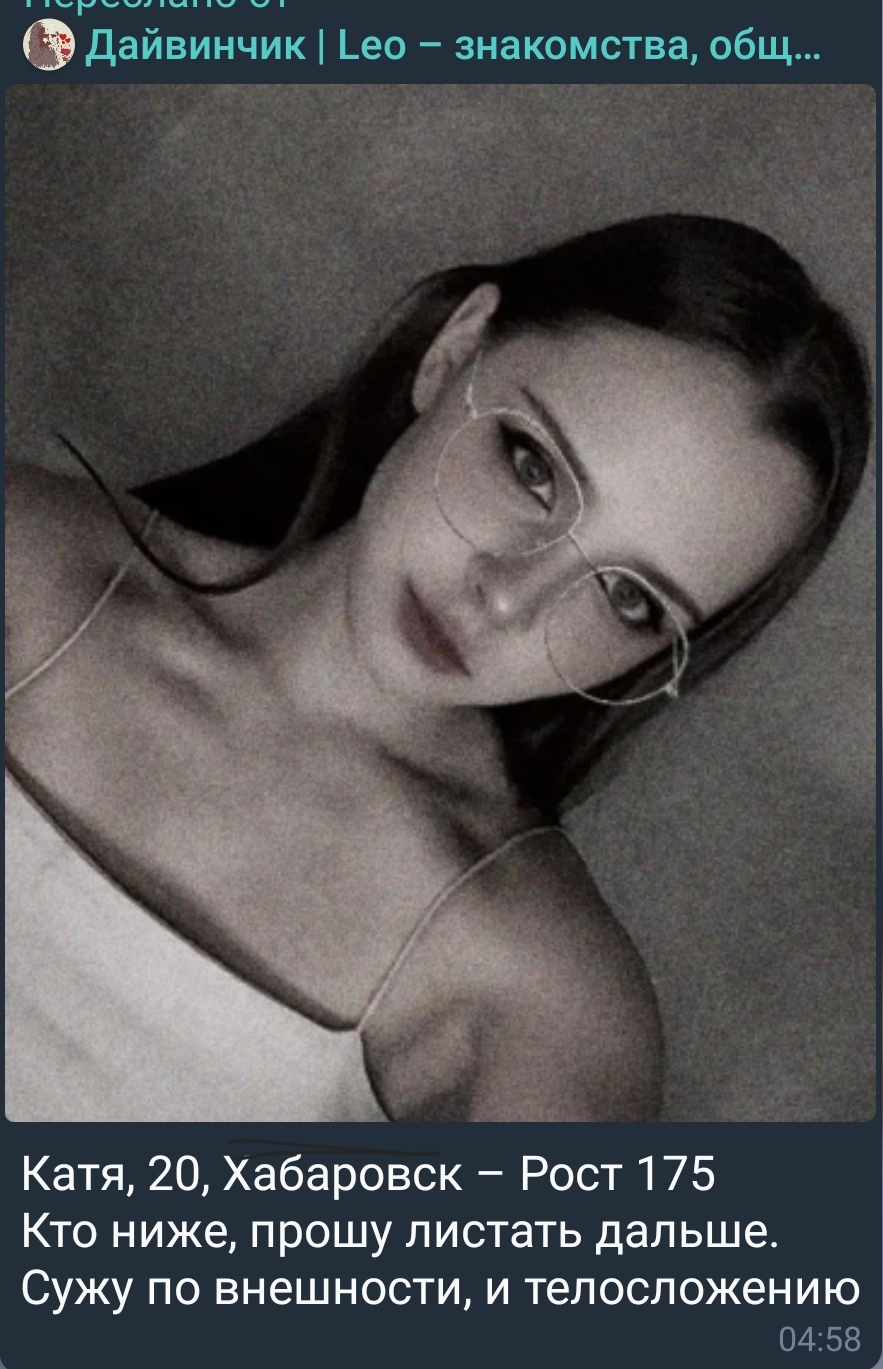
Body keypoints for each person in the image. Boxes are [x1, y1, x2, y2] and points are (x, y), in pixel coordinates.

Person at [5, 215, 870, 1123]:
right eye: (533, 468)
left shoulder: (537, 991)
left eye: (627, 599)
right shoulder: (29, 562)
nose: (507, 600)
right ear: (452, 353)